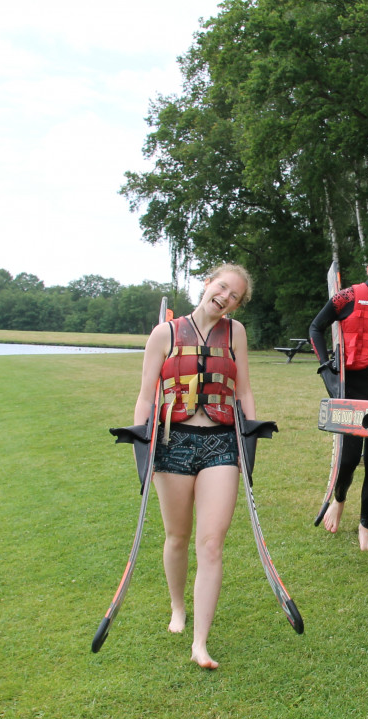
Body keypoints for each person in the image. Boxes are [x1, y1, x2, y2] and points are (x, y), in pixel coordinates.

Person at [133, 264, 256, 669]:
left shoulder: (235, 333)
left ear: (237, 304)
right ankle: (177, 607)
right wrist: (142, 443)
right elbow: (147, 395)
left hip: (221, 442)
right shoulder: (164, 334)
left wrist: (249, 440)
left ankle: (200, 642)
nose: (224, 297)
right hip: (173, 442)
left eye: (234, 295)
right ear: (208, 284)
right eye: (222, 287)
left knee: (211, 543)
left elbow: (244, 390)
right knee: (177, 536)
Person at [308, 247, 368, 551]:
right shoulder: (346, 297)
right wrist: (326, 366)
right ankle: (339, 500)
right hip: (351, 386)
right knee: (348, 458)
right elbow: (316, 327)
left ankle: (365, 526)